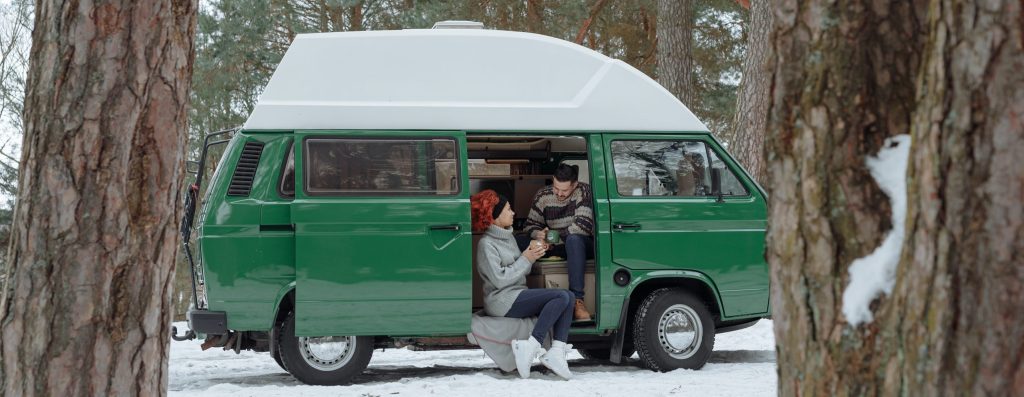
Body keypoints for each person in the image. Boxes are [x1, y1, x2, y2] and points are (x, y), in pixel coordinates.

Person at [471, 189, 574, 380]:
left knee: (569, 297)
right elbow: (500, 279)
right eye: (508, 210)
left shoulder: (508, 236)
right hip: (501, 300)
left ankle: (557, 352)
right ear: (494, 215)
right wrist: (526, 259)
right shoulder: (486, 244)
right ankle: (531, 344)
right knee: (561, 296)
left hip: (516, 294)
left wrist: (532, 253)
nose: (513, 213)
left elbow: (521, 269)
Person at [519, 163, 595, 321]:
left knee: (574, 240)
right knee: (517, 241)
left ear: (574, 185)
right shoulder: (543, 195)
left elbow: (582, 227)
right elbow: (530, 226)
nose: (559, 193)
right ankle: (518, 294)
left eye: (564, 190)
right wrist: (539, 234)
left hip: (579, 244)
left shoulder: (584, 191)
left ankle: (577, 301)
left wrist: (552, 238)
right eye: (556, 188)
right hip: (553, 245)